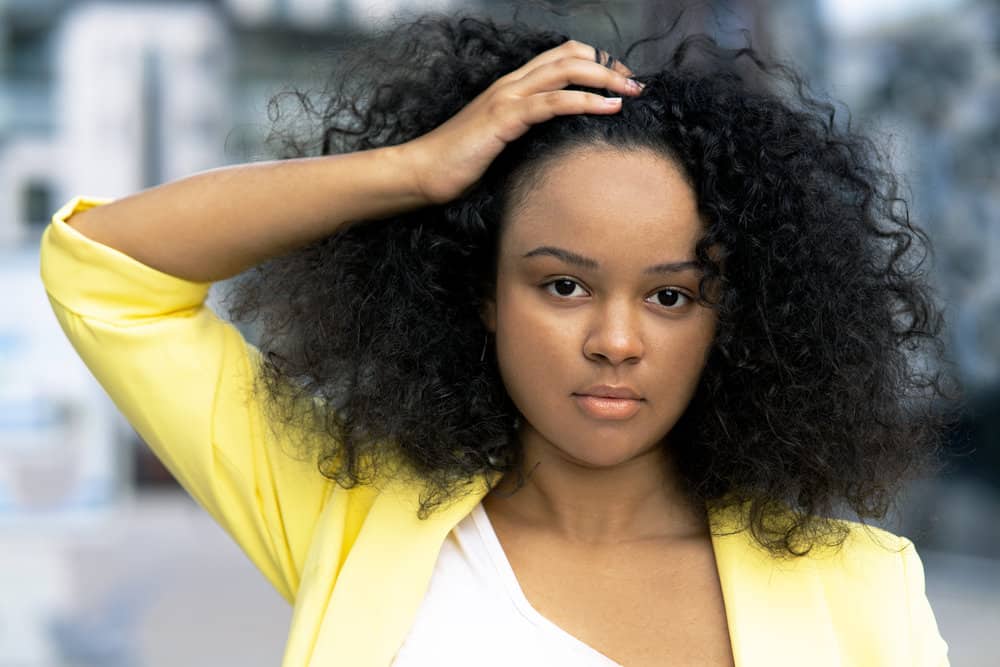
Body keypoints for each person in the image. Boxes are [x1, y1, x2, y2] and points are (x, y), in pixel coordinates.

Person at [40, 11, 955, 667]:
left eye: (672, 296)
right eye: (564, 284)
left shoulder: (862, 590)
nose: (616, 340)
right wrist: (416, 169)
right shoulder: (355, 516)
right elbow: (106, 270)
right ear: (481, 294)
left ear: (738, 318)